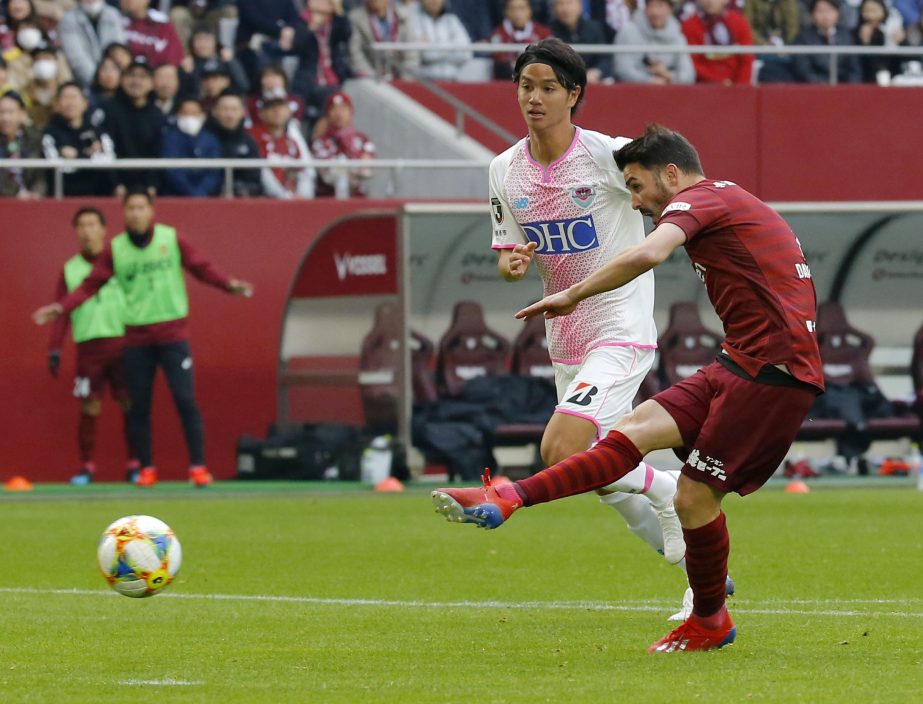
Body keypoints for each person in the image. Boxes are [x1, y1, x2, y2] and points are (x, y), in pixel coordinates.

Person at [433, 123, 824, 653]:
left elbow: (647, 254)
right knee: (633, 430)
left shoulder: (701, 198)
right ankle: (510, 496)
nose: (636, 202)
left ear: (670, 173)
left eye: (638, 187)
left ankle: (709, 619)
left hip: (773, 375)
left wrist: (572, 293)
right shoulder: (726, 199)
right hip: (740, 362)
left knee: (693, 498)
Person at [483, 39, 689, 607]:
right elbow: (505, 257)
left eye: (549, 87)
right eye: (527, 86)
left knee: (562, 452)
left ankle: (667, 489)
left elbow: (680, 188)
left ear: (574, 94)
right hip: (565, 339)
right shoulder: (503, 169)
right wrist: (513, 265)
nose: (535, 98)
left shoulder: (609, 155)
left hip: (619, 327)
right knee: (601, 479)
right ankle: (707, 581)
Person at [33, 188, 254, 488]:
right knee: (138, 405)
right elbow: (89, 286)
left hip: (173, 334)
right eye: (130, 208)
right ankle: (146, 468)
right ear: (123, 213)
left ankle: (198, 467)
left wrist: (228, 285)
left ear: (151, 211)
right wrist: (60, 308)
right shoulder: (117, 249)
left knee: (185, 399)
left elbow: (201, 268)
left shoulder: (171, 239)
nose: (136, 213)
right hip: (136, 339)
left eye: (141, 207)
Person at [47, 207, 138, 485]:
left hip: (123, 344)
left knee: (130, 404)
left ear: (104, 229)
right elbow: (61, 311)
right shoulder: (70, 269)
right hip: (88, 349)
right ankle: (87, 466)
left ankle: (136, 465)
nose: (87, 231)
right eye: (81, 226)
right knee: (89, 408)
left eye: (92, 225)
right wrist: (55, 348)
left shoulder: (121, 262)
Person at [101, 56, 166, 194]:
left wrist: (152, 184)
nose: (136, 81)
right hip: (112, 189)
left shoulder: (157, 115)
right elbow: (105, 148)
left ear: (152, 83)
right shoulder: (108, 110)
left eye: (143, 77)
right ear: (122, 79)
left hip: (147, 189)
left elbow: (158, 152)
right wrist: (115, 184)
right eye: (131, 75)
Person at [41, 81, 116, 196]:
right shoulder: (49, 134)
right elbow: (57, 169)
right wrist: (89, 155)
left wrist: (77, 155)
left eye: (74, 97)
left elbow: (108, 161)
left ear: (85, 103)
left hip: (98, 195)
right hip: (64, 197)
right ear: (56, 104)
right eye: (65, 97)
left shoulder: (98, 132)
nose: (70, 103)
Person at [248, 89, 315, 199]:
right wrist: (284, 196)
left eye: (281, 106)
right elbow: (261, 172)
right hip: (266, 201)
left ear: (288, 111)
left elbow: (304, 170)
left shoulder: (292, 140)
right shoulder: (252, 136)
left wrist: (303, 196)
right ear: (261, 112)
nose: (276, 111)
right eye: (270, 107)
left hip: (294, 200)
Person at [614, 0, 696, 84]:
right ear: (645, 8)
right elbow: (623, 70)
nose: (655, 12)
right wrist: (649, 80)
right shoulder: (628, 31)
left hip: (669, 92)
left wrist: (667, 75)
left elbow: (688, 76)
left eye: (660, 6)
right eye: (651, 6)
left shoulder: (678, 37)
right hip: (633, 92)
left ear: (670, 10)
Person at [311, 90, 375, 197]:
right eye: (334, 109)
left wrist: (349, 169)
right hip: (327, 197)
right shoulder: (320, 142)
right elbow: (327, 173)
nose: (339, 113)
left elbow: (366, 168)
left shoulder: (362, 139)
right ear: (327, 114)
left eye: (343, 108)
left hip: (357, 195)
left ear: (351, 112)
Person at [160, 95, 222, 197]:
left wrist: (201, 192)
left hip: (206, 196)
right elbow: (171, 170)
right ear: (178, 115)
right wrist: (190, 191)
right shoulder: (170, 139)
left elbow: (214, 171)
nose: (189, 117)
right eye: (185, 113)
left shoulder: (211, 139)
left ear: (202, 115)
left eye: (194, 113)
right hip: (175, 195)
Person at [681, 0, 755, 84]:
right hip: (703, 87)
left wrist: (740, 86)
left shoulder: (739, 22)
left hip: (736, 86)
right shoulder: (689, 26)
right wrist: (719, 81)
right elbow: (691, 62)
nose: (710, 2)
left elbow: (747, 58)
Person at [206, 88, 262, 196]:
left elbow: (254, 178)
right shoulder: (204, 140)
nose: (229, 115)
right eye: (225, 109)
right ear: (214, 111)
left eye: (234, 109)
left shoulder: (249, 142)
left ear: (242, 112)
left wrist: (243, 189)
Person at [58, 0, 126, 88]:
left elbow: (118, 50)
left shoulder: (113, 14)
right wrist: (99, 80)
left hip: (115, 81)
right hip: (85, 84)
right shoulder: (68, 19)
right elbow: (77, 59)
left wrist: (113, 76)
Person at [792, 0, 862, 84]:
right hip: (816, 89)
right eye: (820, 11)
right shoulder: (803, 38)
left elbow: (854, 69)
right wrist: (829, 87)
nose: (825, 16)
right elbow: (804, 71)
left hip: (844, 88)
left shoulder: (847, 36)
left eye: (829, 10)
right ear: (812, 14)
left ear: (838, 13)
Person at [348, 0, 420, 80]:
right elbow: (355, 52)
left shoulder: (403, 15)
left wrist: (405, 78)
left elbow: (411, 53)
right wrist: (371, 76)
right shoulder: (355, 17)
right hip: (371, 76)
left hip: (400, 75)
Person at [549, 0, 613, 83]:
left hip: (592, 82)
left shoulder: (594, 28)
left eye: (569, 3)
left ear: (580, 6)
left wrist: (597, 71)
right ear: (554, 8)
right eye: (560, 4)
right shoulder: (549, 31)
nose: (565, 8)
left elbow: (605, 58)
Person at [409, 0, 473, 81]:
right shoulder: (412, 20)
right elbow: (425, 55)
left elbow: (466, 54)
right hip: (423, 83)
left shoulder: (452, 20)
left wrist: (434, 49)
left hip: (452, 81)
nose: (434, 1)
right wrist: (451, 48)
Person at [488, 0, 552, 81]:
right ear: (505, 11)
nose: (517, 13)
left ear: (530, 10)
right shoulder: (498, 34)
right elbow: (501, 65)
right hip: (506, 84)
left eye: (521, 8)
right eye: (512, 8)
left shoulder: (543, 33)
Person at [0, 90, 45, 198]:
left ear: (22, 114)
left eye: (10, 112)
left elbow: (41, 175)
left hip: (33, 200)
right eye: (1, 112)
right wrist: (17, 194)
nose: (5, 118)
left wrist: (37, 193)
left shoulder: (35, 138)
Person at [743, 0, 801, 82]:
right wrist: (764, 43)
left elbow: (793, 28)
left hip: (785, 47)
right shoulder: (751, 2)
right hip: (759, 47)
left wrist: (785, 46)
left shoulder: (789, 2)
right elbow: (746, 27)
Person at [120, 0, 186, 68]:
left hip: (155, 71)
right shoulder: (116, 20)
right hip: (124, 72)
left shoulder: (161, 21)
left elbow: (175, 55)